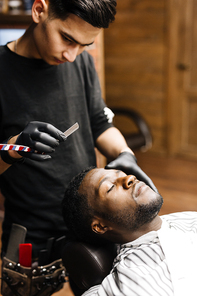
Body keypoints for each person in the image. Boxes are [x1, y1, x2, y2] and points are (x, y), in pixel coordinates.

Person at [0, 0, 157, 264]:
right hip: (31, 228)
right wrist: (14, 147)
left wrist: (124, 153)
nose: (71, 56)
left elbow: (99, 123)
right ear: (39, 10)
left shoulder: (80, 61)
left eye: (84, 45)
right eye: (67, 38)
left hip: (92, 218)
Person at [62, 167, 197, 296]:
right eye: (110, 188)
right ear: (100, 227)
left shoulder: (189, 219)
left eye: (122, 173)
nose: (130, 178)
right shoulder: (129, 281)